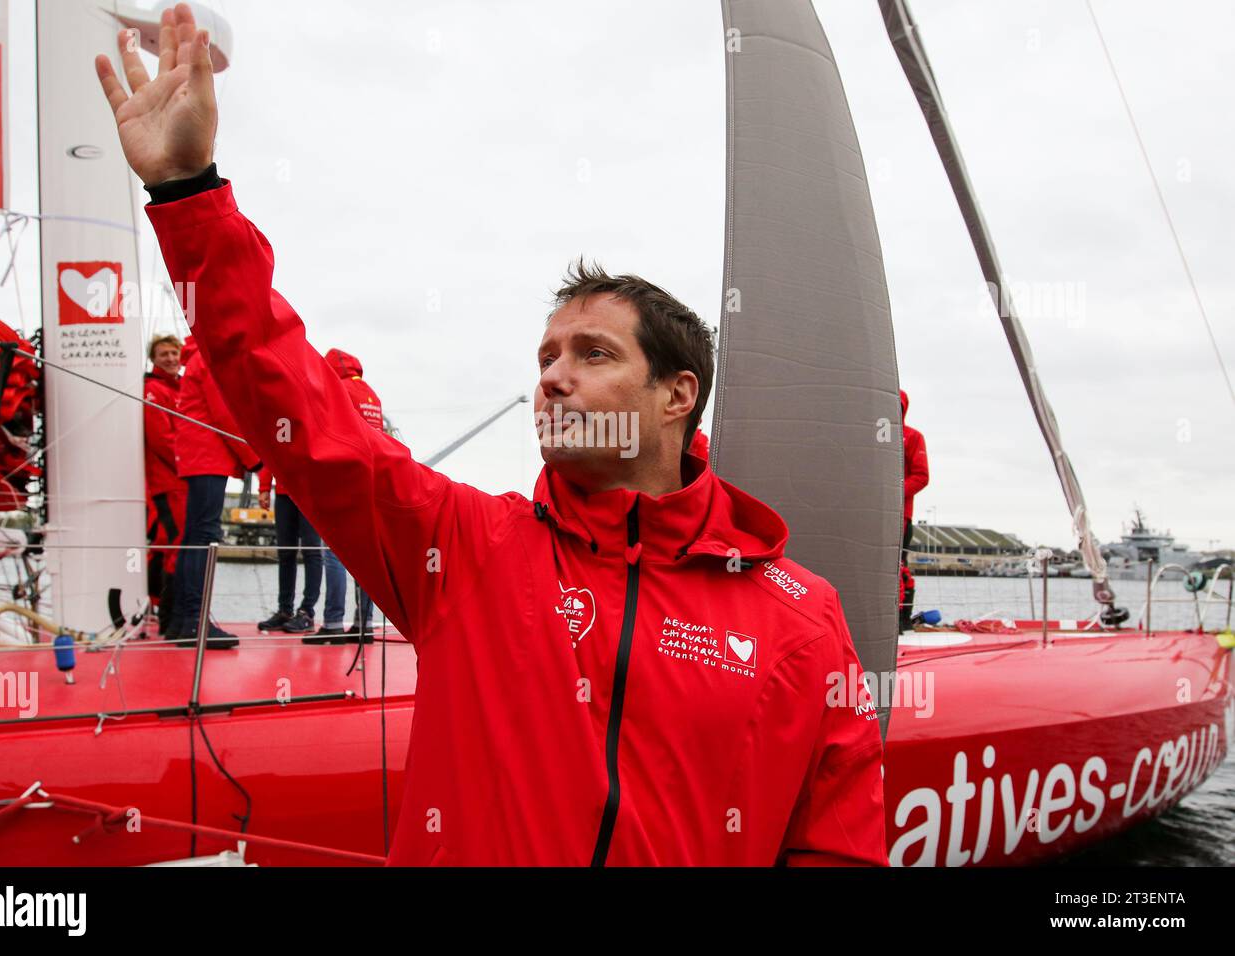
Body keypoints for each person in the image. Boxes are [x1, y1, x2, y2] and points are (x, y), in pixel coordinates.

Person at [95, 6, 887, 866]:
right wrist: (187, 194)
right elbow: (298, 409)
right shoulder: (463, 549)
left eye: (592, 354)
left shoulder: (802, 618)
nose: (551, 376)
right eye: (545, 355)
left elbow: (834, 848)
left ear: (676, 396)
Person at [166, 335, 259, 648]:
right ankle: (195, 621)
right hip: (208, 456)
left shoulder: (193, 361)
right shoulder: (208, 361)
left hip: (195, 456)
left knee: (194, 537)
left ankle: (181, 622)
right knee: (205, 535)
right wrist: (254, 459)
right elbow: (225, 415)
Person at [306, 348, 381, 645]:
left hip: (343, 477)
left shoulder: (337, 388)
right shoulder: (371, 394)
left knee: (334, 552)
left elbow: (326, 430)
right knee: (367, 555)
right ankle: (365, 624)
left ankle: (333, 622)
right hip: (371, 479)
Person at [143, 334, 186, 634]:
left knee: (176, 545)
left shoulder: (180, 389)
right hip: (168, 481)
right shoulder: (154, 391)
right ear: (153, 359)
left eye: (174, 353)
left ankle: (169, 611)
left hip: (180, 481)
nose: (170, 358)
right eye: (163, 354)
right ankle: (170, 617)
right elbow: (162, 439)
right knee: (175, 545)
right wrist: (194, 463)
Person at [255, 465, 323, 634]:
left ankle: (307, 612)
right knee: (285, 552)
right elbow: (269, 448)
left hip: (311, 489)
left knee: (312, 551)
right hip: (283, 492)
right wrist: (264, 487)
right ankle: (285, 610)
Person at [899, 389, 929, 631]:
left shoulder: (913, 437)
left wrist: (892, 494)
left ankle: (902, 620)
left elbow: (921, 476)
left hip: (900, 516)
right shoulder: (872, 435)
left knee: (898, 566)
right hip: (870, 515)